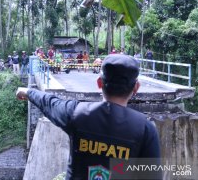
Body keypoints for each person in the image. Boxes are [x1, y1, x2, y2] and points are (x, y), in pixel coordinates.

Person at [16, 54, 161, 179]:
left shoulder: (77, 113)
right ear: (136, 87)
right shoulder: (145, 129)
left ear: (99, 83)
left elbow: (50, 103)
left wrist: (28, 92)